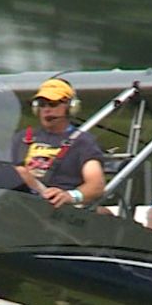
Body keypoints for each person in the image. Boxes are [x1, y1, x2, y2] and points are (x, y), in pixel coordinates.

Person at [12, 78, 105, 208]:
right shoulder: (23, 137)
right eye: (42, 104)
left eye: (53, 104)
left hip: (62, 209)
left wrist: (70, 196)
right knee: (20, 172)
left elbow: (96, 185)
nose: (46, 109)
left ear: (71, 107)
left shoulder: (83, 142)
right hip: (23, 204)